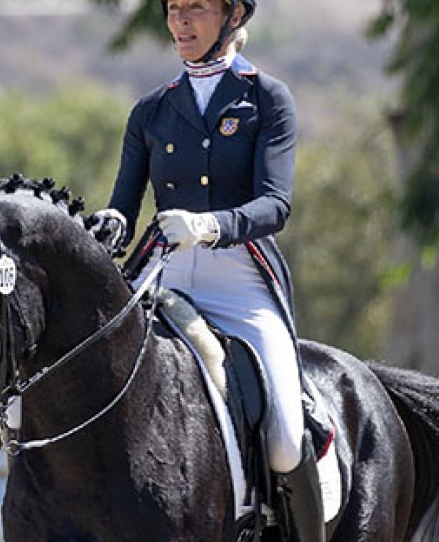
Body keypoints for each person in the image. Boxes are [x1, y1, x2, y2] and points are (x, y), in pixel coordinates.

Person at [89, 1, 324, 540]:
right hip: (164, 280)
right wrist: (111, 223)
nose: (180, 22)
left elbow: (275, 206)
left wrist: (210, 225)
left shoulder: (266, 99)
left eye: (196, 7)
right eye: (173, 8)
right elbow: (124, 207)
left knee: (286, 437)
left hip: (240, 279)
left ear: (232, 14)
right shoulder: (151, 109)